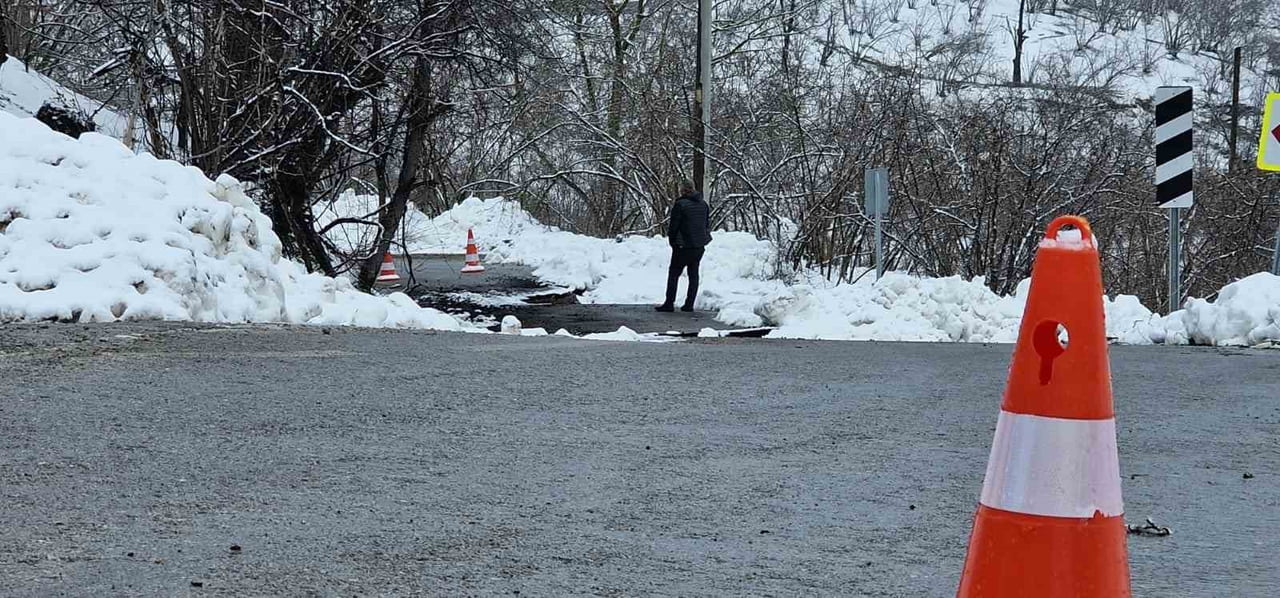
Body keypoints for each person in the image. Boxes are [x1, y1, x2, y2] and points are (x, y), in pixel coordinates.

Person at [656, 179, 712, 312]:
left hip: (683, 246)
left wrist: (673, 241)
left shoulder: (680, 205)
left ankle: (669, 303)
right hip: (698, 246)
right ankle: (689, 304)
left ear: (683, 190)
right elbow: (706, 225)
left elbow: (674, 226)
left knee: (674, 274)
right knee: (694, 274)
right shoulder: (703, 205)